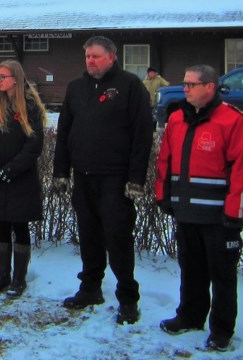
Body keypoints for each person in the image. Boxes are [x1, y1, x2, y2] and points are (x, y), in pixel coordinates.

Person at [154, 64, 243, 351]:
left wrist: (234, 212)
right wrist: (164, 194)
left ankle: (222, 329)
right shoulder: (177, 119)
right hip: (186, 211)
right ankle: (189, 315)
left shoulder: (234, 121)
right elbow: (166, 159)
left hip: (218, 215)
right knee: (191, 268)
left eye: (191, 84)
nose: (185, 89)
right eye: (185, 84)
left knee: (222, 275)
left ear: (210, 87)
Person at [53, 36, 154, 325]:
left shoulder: (129, 86)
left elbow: (142, 135)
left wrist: (136, 178)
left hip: (115, 178)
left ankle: (128, 299)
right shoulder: (75, 88)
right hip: (84, 177)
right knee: (89, 236)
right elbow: (64, 133)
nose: (90, 61)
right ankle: (90, 288)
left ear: (112, 57)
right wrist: (61, 171)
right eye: (87, 57)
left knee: (118, 238)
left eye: (96, 56)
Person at [0, 60, 46, 298]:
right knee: (2, 225)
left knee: (20, 225)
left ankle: (19, 278)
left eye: (2, 77)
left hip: (21, 178)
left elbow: (34, 144)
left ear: (15, 79)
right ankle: (2, 275)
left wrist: (11, 169)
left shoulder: (29, 107)